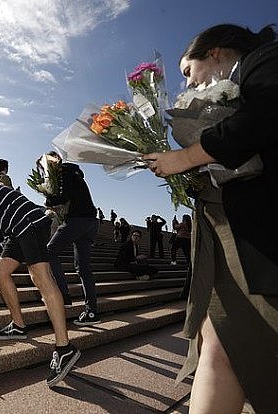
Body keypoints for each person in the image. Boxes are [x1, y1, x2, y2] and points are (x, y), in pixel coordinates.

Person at [143, 24, 278, 414]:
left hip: (262, 238)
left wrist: (185, 158)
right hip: (240, 232)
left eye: (189, 71)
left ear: (215, 53)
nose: (189, 84)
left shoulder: (266, 60)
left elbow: (264, 118)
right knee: (218, 343)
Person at [0, 176, 80, 387]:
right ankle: (18, 325)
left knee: (40, 277)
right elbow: (8, 238)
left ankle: (64, 348)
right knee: (1, 270)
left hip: (29, 224)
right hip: (20, 229)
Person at [44, 151, 100, 325]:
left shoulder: (65, 172)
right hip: (90, 222)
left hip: (78, 220)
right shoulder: (75, 174)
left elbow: (64, 196)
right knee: (83, 268)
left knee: (49, 251)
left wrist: (49, 200)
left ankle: (63, 294)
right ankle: (91, 312)